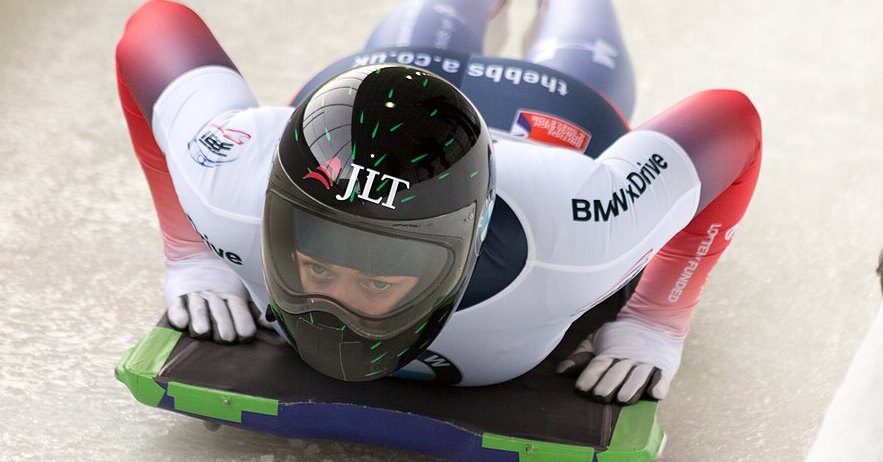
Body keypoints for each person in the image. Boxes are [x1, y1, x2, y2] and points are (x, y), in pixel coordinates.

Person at [116, 0, 761, 405]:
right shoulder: (228, 182)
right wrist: (192, 250)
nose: (335, 310)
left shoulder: (581, 231)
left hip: (551, 108)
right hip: (388, 79)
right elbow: (153, 27)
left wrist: (657, 319)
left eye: (376, 280)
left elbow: (733, 123)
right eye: (316, 266)